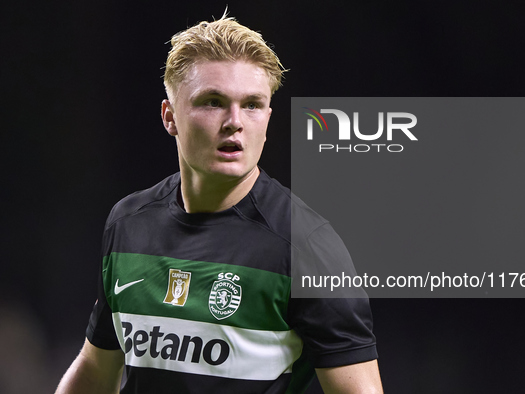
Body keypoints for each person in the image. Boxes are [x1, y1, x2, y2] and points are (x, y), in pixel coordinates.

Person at [56, 14, 383, 394]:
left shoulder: (306, 246)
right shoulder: (128, 223)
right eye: (212, 102)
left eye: (252, 105)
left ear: (268, 118)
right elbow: (97, 369)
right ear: (170, 117)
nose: (234, 122)